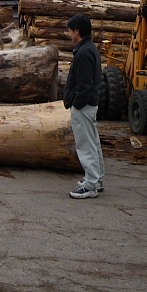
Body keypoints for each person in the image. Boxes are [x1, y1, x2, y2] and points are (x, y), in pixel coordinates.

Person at [63, 13, 105, 199]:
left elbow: (85, 85)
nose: (69, 35)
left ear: (77, 32)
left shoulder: (84, 52)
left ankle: (90, 185)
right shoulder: (88, 49)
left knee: (85, 145)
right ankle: (96, 179)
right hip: (88, 105)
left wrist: (77, 104)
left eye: (70, 31)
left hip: (84, 106)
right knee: (93, 143)